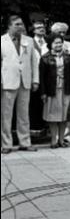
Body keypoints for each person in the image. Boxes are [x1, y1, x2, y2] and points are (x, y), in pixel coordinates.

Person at [1, 16, 40, 154]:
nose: (20, 27)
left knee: (24, 114)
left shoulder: (28, 41)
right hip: (7, 82)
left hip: (25, 81)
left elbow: (34, 62)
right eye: (17, 24)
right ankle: (6, 144)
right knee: (6, 115)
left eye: (21, 24)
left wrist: (35, 80)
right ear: (9, 26)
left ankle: (25, 142)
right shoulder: (2, 41)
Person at [38, 33, 70, 148]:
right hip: (52, 91)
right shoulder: (45, 58)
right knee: (52, 116)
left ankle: (61, 140)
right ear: (50, 44)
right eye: (56, 43)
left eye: (60, 42)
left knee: (64, 116)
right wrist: (43, 92)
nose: (58, 45)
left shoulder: (68, 57)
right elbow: (41, 77)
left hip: (66, 89)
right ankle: (53, 139)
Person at [29, 20, 48, 133]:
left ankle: (46, 126)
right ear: (33, 30)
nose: (41, 29)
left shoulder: (48, 42)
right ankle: (35, 126)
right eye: (38, 27)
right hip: (34, 75)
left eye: (43, 27)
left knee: (47, 101)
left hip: (47, 75)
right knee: (35, 101)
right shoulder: (30, 42)